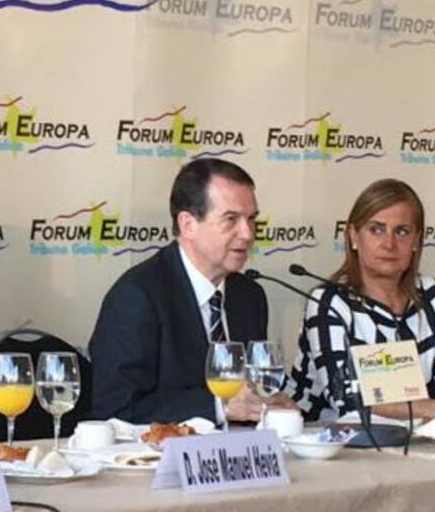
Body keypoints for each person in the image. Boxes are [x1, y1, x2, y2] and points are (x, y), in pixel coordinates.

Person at [89, 158, 296, 423]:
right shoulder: (137, 297)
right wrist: (219, 406)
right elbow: (117, 409)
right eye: (231, 219)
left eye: (251, 219)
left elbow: (254, 391)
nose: (247, 233)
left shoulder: (249, 295)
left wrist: (269, 403)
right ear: (188, 224)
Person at [290, 179, 435, 423]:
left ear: (416, 241)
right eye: (376, 230)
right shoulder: (329, 302)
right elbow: (347, 402)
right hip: (329, 438)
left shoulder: (431, 295)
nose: (389, 244)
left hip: (413, 436)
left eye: (401, 232)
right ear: (353, 236)